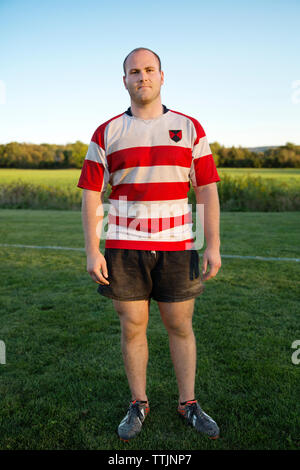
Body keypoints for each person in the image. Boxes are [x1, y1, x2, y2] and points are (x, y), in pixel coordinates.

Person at [77, 47, 222, 441]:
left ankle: (187, 403)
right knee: (132, 326)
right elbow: (92, 193)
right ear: (124, 80)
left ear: (162, 76)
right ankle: (138, 402)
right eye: (134, 71)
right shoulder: (106, 132)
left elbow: (206, 189)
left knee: (179, 324)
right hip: (124, 247)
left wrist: (213, 244)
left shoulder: (190, 127)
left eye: (148, 70)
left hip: (178, 246)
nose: (142, 77)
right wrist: (93, 249)